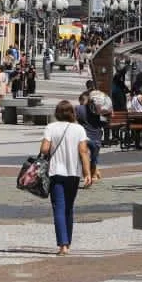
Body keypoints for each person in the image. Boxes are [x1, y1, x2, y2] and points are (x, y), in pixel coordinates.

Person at [39, 100, 94, 255]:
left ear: (57, 113)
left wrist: (47, 144)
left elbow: (44, 149)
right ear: (72, 113)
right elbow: (83, 152)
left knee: (59, 208)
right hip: (73, 173)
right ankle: (67, 242)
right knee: (69, 208)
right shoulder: (79, 129)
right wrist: (87, 173)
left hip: (55, 172)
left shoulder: (51, 127)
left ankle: (63, 245)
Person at [76, 90, 106, 182]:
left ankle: (87, 176)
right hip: (97, 139)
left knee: (84, 157)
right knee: (93, 159)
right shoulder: (99, 110)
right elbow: (104, 123)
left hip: (84, 138)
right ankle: (93, 176)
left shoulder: (79, 108)